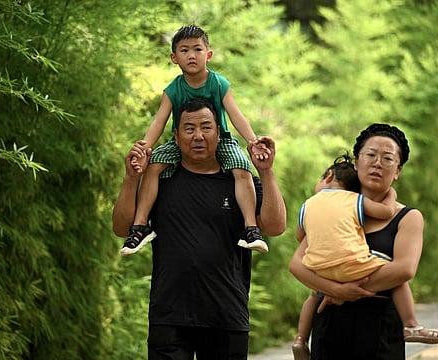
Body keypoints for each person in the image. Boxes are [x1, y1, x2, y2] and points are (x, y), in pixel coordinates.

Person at [112, 98, 286, 359]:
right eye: (189, 128)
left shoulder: (240, 182)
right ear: (176, 135)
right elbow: (122, 227)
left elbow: (275, 226)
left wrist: (267, 172)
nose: (198, 136)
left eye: (206, 127)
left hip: (227, 314)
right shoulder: (161, 180)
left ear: (219, 133)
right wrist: (131, 179)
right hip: (169, 315)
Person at [289, 123, 438, 360]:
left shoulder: (407, 217)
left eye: (387, 159)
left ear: (397, 170)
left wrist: (349, 290)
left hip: (380, 330)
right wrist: (337, 290)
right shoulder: (332, 211)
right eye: (370, 155)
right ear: (357, 162)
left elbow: (404, 269)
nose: (377, 163)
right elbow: (297, 264)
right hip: (330, 326)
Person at [120, 24, 271, 257]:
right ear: (174, 57)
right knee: (153, 166)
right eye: (184, 50)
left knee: (242, 168)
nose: (192, 55)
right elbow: (159, 121)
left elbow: (235, 114)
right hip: (180, 142)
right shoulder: (172, 89)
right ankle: (140, 227)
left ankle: (251, 228)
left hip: (221, 140)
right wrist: (145, 147)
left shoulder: (219, 83)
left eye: (198, 49)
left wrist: (252, 141)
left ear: (208, 55)